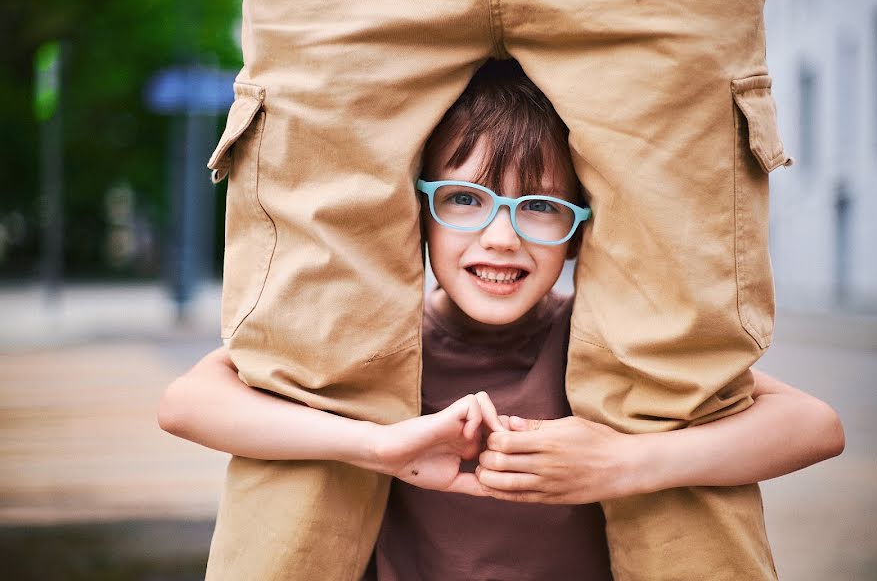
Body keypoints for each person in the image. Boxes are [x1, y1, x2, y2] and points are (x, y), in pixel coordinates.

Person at [164, 59, 842, 579]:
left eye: (541, 206)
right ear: (418, 212)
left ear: (581, 231)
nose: (500, 237)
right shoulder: (375, 344)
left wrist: (624, 463)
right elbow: (186, 403)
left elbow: (816, 427)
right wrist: (376, 446)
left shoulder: (604, 343)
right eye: (465, 198)